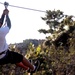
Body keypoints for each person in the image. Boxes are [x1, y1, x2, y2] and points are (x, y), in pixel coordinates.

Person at [0, 9, 40, 73]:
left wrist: (3, 14)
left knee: (15, 59)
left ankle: (27, 68)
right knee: (21, 58)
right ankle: (33, 68)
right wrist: (7, 15)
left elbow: (0, 23)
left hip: (1, 56)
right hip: (4, 55)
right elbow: (9, 26)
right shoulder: (1, 31)